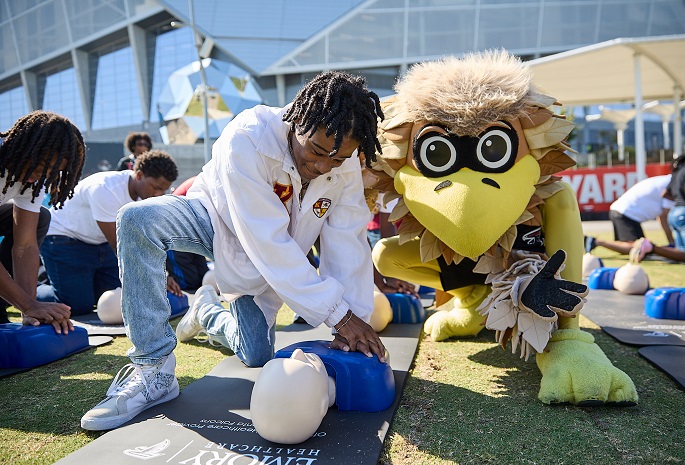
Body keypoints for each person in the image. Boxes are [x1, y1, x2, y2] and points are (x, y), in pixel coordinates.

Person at [80, 70, 387, 431]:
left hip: (273, 260)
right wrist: (340, 316)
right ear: (300, 118)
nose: (323, 167)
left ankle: (207, 311)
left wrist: (355, 320)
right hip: (215, 221)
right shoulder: (249, 135)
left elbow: (347, 239)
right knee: (137, 219)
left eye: (335, 161)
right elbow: (265, 238)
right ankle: (153, 371)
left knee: (256, 355)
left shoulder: (345, 159)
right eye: (317, 151)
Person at [37, 150, 178, 315]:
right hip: (64, 239)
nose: (158, 194)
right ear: (139, 175)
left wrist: (163, 273)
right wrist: (155, 277)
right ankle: (32, 290)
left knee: (113, 296)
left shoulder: (146, 197)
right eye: (156, 187)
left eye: (164, 190)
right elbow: (119, 245)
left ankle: (66, 279)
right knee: (77, 306)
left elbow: (147, 239)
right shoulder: (105, 188)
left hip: (99, 243)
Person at [0, 110, 85, 334]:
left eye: (52, 170)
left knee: (40, 218)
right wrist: (29, 304)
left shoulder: (33, 180)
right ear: (25, 147)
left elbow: (25, 245)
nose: (42, 174)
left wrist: (29, 309)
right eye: (39, 166)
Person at [585, 174, 675, 255]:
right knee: (639, 248)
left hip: (622, 210)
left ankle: (594, 241)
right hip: (626, 213)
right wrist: (672, 243)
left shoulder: (667, 180)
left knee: (633, 247)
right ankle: (595, 242)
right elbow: (664, 217)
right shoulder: (672, 183)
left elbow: (662, 216)